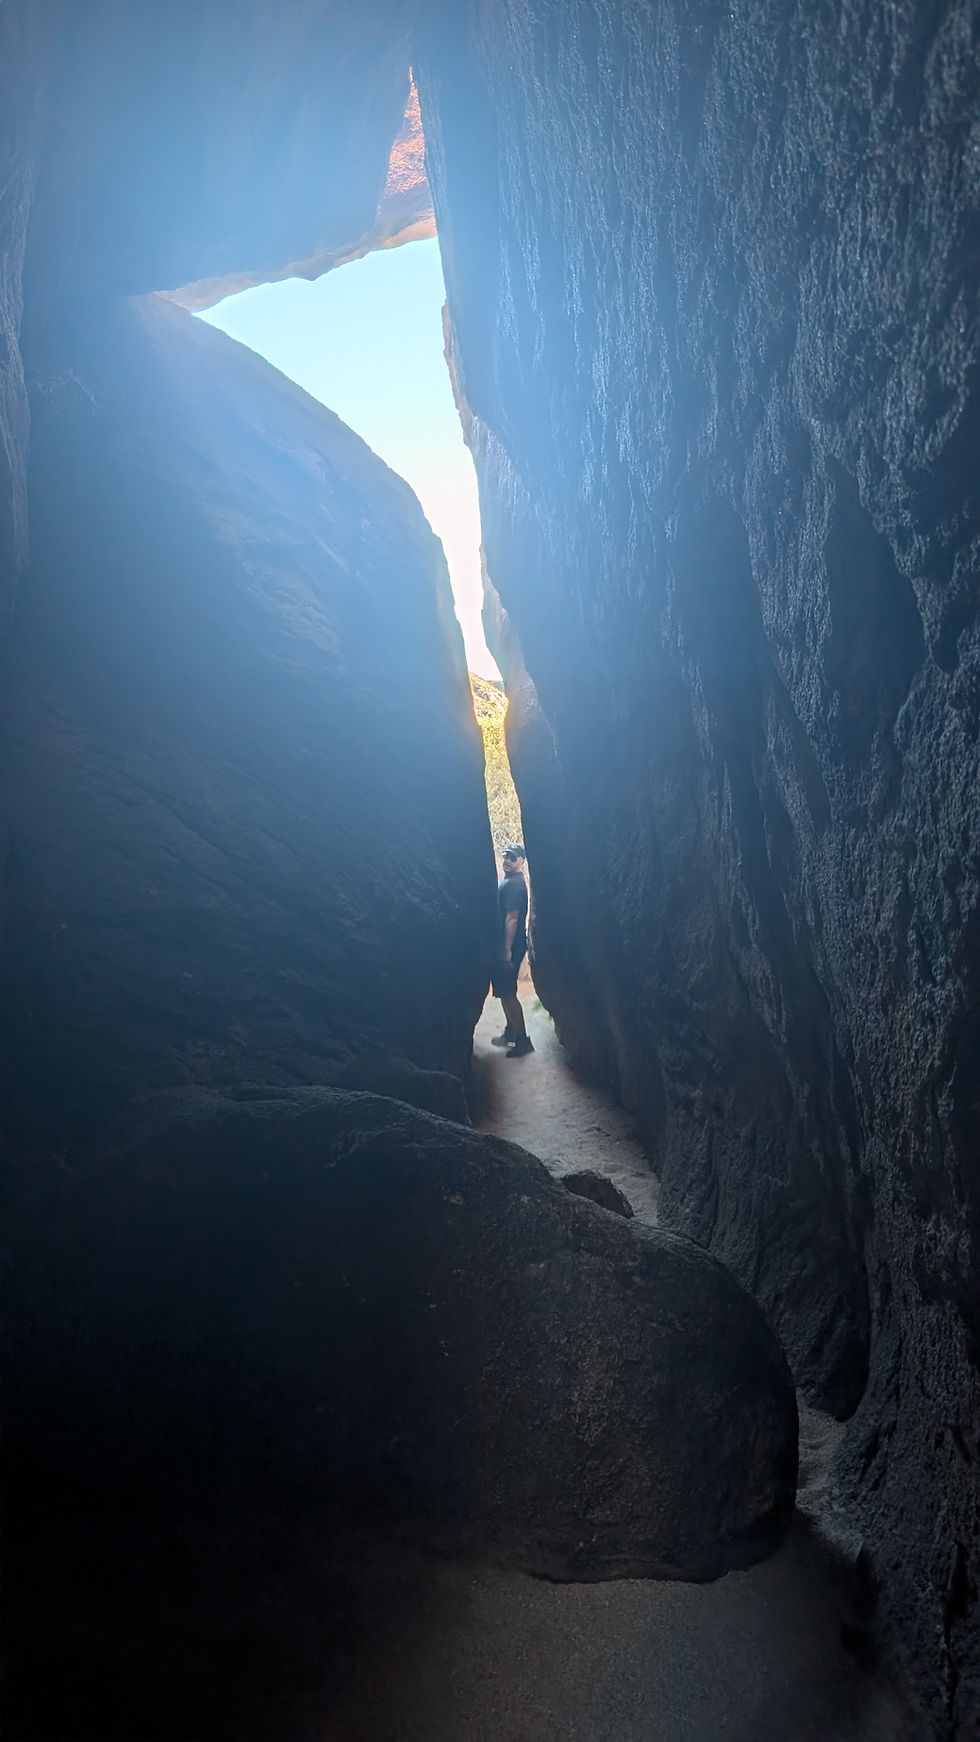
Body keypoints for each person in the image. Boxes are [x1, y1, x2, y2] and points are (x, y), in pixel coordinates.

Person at [491, 844, 534, 1058]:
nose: (507, 860)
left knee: (508, 993)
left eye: (513, 857)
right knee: (503, 990)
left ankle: (524, 1040)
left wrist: (506, 949)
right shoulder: (508, 881)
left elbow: (512, 917)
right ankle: (511, 1032)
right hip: (506, 944)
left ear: (522, 861)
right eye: (506, 856)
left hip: (511, 945)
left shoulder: (515, 885)